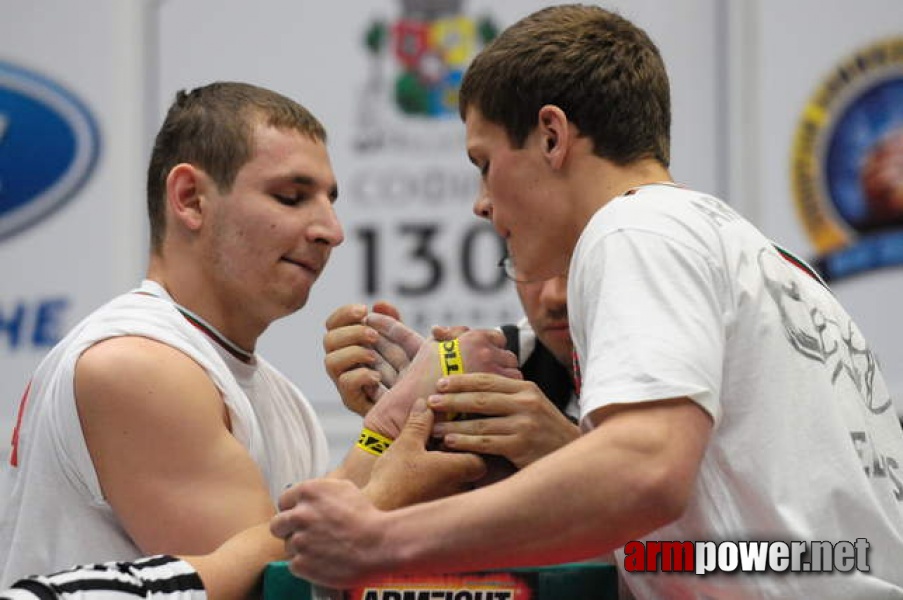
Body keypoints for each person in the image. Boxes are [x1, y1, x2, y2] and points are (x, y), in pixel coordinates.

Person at [270, 5, 903, 597]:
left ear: (552, 136)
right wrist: (509, 467)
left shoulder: (634, 229)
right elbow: (753, 553)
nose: (481, 202)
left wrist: (380, 540)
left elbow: (644, 474)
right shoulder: (741, 250)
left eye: (484, 162)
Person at [0, 81, 516, 587]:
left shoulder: (276, 393)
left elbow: (324, 570)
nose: (332, 230)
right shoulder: (136, 364)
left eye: (330, 201)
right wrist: (394, 430)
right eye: (292, 197)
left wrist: (420, 422)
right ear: (190, 199)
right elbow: (265, 585)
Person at [323, 270, 579, 473]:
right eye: (530, 266)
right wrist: (410, 442)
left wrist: (579, 459)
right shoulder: (500, 362)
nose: (554, 296)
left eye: (576, 265)